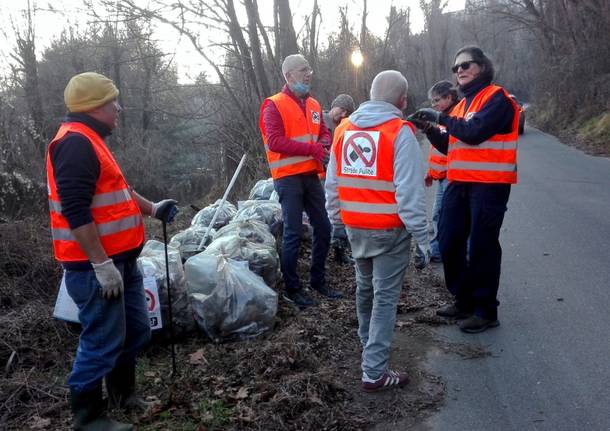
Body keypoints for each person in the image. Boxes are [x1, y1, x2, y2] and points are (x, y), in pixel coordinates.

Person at [46, 72, 178, 430]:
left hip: (124, 261)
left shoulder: (92, 139)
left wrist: (153, 208)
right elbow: (75, 210)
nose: (118, 107)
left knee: (136, 330)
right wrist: (101, 264)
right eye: (111, 101)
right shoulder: (74, 144)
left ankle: (123, 395)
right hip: (97, 269)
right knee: (101, 340)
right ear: (93, 106)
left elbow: (118, 190)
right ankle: (87, 418)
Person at [325, 70, 429, 392]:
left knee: (364, 289)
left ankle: (367, 343)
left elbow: (332, 187)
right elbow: (409, 196)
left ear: (370, 94)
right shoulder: (400, 133)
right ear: (403, 100)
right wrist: (424, 241)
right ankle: (374, 371)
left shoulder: (343, 130)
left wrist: (337, 224)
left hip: (356, 229)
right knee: (384, 299)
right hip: (389, 233)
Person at [409, 46, 519, 333]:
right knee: (447, 241)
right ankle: (464, 299)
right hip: (460, 184)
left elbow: (474, 133)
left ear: (482, 67)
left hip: (489, 186)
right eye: (456, 67)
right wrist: (430, 130)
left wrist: (439, 117)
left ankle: (485, 310)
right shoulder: (462, 106)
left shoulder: (498, 99)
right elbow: (451, 144)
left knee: (482, 246)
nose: (459, 70)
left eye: (466, 65)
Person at [259, 54, 341, 308]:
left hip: (310, 175)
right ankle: (292, 288)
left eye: (309, 70)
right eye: (303, 70)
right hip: (287, 179)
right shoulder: (273, 105)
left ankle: (318, 280)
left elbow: (323, 133)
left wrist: (324, 143)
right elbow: (274, 141)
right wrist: (312, 149)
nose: (309, 74)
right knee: (293, 232)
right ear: (289, 75)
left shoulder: (314, 104)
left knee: (324, 227)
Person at [411, 81, 460, 264]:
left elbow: (453, 149)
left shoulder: (455, 118)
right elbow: (439, 151)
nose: (434, 105)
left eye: (437, 100)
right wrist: (431, 172)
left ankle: (438, 250)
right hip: (441, 176)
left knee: (441, 214)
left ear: (449, 97)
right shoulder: (445, 118)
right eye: (432, 102)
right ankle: (439, 248)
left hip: (452, 176)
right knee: (438, 214)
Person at [323, 93, 356, 264]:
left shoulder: (345, 127)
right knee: (328, 214)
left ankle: (340, 251)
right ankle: (327, 250)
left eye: (347, 112)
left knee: (341, 212)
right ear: (334, 105)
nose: (343, 114)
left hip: (337, 175)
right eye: (342, 109)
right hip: (319, 175)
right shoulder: (320, 120)